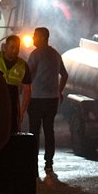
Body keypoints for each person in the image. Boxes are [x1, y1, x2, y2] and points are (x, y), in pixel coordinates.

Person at [26, 27, 69, 174]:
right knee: (49, 131)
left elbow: (28, 76)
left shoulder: (35, 54)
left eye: (35, 36)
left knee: (33, 132)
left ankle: (32, 162)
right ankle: (49, 163)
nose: (33, 38)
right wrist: (59, 91)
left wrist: (23, 91)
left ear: (43, 37)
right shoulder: (56, 54)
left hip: (37, 98)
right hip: (52, 100)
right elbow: (64, 75)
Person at [0, 35, 32, 132]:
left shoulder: (23, 65)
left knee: (12, 132)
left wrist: (22, 111)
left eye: (17, 48)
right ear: (5, 47)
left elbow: (27, 89)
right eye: (12, 47)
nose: (15, 51)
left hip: (12, 105)